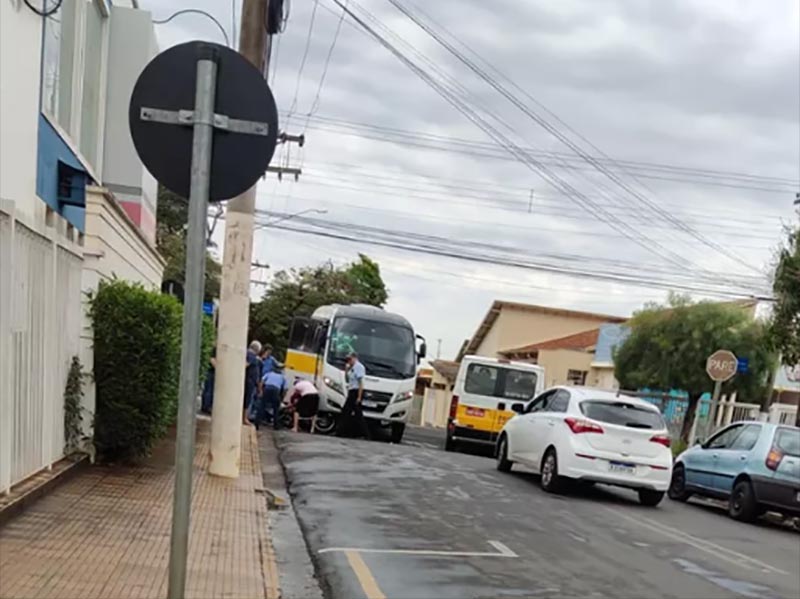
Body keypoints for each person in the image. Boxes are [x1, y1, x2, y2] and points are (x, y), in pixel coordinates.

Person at [338, 352, 371, 440]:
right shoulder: (351, 368)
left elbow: (360, 383)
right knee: (352, 413)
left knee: (350, 413)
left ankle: (342, 432)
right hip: (351, 390)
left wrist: (359, 397)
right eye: (347, 360)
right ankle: (361, 433)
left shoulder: (359, 367)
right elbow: (347, 380)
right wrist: (346, 370)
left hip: (356, 392)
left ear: (354, 358)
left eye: (350, 359)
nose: (348, 361)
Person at [244, 340, 262, 425]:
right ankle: (244, 418)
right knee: (247, 400)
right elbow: (246, 364)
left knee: (247, 399)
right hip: (249, 381)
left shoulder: (249, 354)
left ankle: (244, 417)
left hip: (249, 381)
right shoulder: (251, 355)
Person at [200, 349, 216, 415]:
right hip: (210, 372)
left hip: (211, 372)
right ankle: (206, 406)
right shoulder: (213, 350)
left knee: (208, 389)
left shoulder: (214, 350)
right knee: (209, 389)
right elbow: (212, 360)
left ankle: (206, 406)